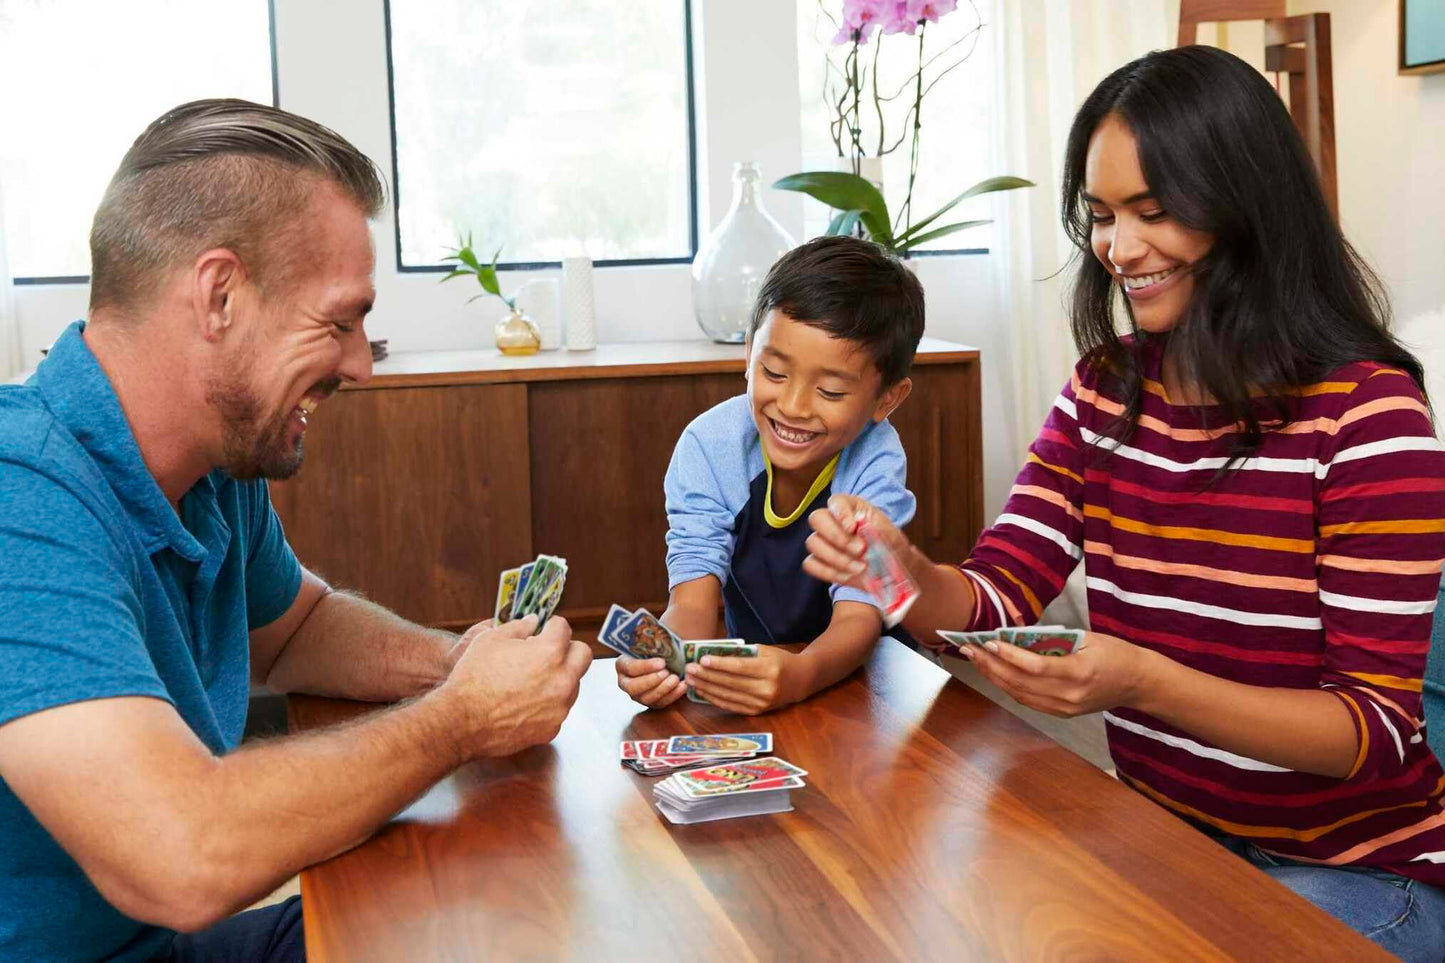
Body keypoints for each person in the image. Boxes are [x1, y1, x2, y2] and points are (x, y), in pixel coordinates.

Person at [806, 46, 1445, 960]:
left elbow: (1374, 734)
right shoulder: (1104, 391)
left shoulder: (1369, 418)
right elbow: (993, 597)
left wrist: (1140, 679)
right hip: (1171, 836)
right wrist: (903, 578)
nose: (1118, 248)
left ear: (1246, 210)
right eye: (1102, 216)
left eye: (1155, 212)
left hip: (1362, 871)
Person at [0, 100, 592, 963]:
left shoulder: (211, 459)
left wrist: (456, 661)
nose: (359, 362)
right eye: (337, 321)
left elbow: (298, 628)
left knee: (486, 909)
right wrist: (460, 718)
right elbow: (179, 855)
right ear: (220, 294)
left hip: (158, 948)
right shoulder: (21, 490)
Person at [615, 236, 923, 714]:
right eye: (774, 374)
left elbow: (860, 615)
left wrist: (800, 675)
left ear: (887, 399)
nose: (793, 407)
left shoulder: (876, 463)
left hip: (867, 682)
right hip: (758, 680)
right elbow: (694, 601)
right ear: (748, 355)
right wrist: (662, 660)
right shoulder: (709, 447)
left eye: (830, 391)